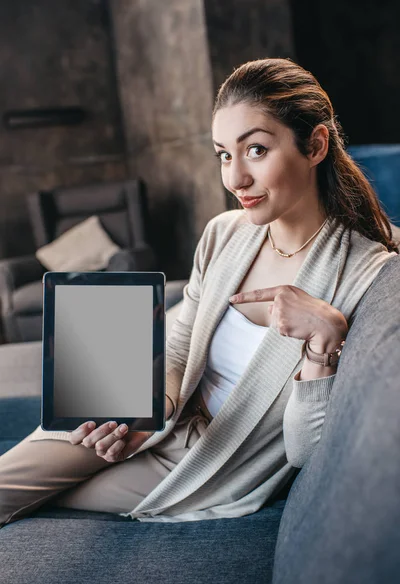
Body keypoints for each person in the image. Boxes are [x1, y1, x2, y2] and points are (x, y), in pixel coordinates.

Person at [0, 58, 398, 527]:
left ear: (315, 145)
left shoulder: (365, 274)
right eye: (224, 155)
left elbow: (305, 453)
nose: (234, 179)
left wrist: (322, 348)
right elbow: (182, 344)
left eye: (255, 150)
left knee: (28, 501)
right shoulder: (224, 234)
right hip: (151, 421)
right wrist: (149, 412)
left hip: (208, 459)